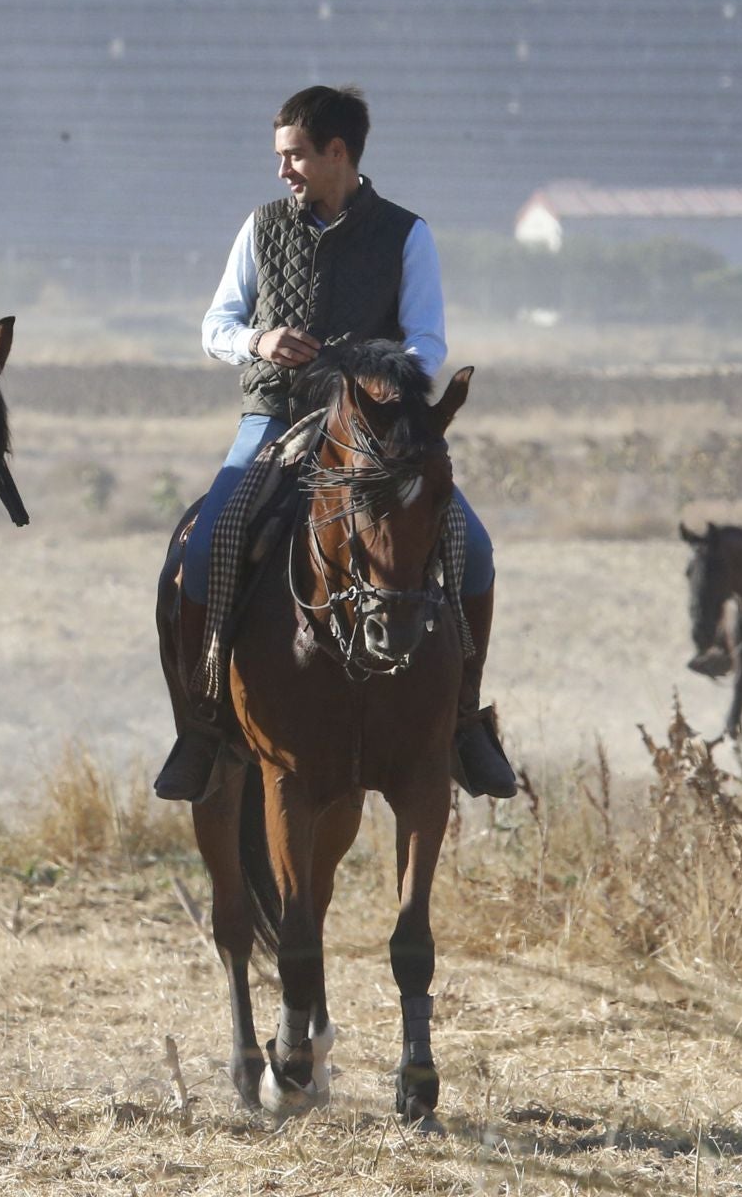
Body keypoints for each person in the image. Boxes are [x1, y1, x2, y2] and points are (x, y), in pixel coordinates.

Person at [154, 84, 517, 802]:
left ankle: (466, 721)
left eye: (294, 156)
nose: (283, 170)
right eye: (281, 156)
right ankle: (201, 724)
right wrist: (261, 338)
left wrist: (369, 373)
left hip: (374, 431)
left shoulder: (408, 234)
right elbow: (214, 324)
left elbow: (428, 342)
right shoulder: (259, 228)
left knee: (471, 548)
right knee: (206, 547)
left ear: (337, 153)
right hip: (273, 417)